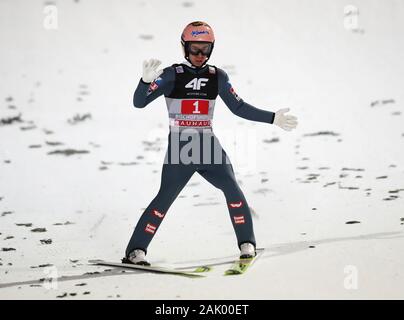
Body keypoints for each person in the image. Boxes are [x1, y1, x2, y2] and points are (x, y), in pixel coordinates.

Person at [123, 21, 298, 266]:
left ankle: (247, 244)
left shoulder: (217, 76)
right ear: (184, 48)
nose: (200, 55)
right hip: (182, 150)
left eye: (205, 50)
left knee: (233, 190)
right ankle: (136, 251)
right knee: (164, 200)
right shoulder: (172, 75)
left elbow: (238, 107)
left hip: (208, 147)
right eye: (195, 49)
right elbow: (139, 103)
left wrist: (273, 118)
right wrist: (144, 82)